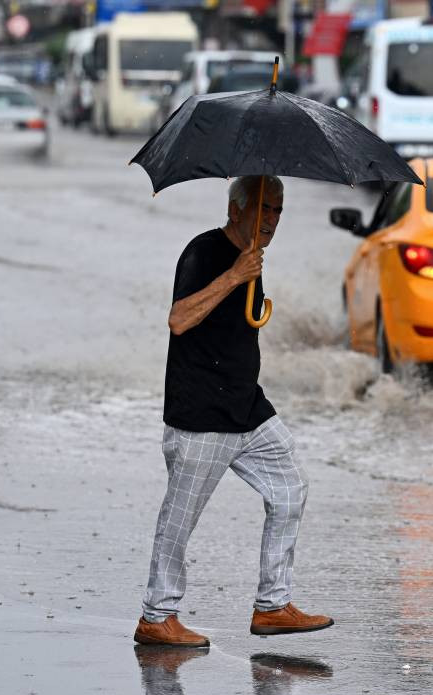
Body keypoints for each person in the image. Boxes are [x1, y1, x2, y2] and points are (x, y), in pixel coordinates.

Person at [134, 175, 334, 648]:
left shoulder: (252, 261)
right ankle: (156, 617)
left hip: (247, 407)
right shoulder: (204, 252)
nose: (271, 220)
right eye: (264, 209)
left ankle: (272, 606)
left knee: (290, 490)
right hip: (201, 413)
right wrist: (234, 277)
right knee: (179, 519)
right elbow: (179, 319)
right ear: (236, 209)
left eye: (278, 211)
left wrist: (248, 279)